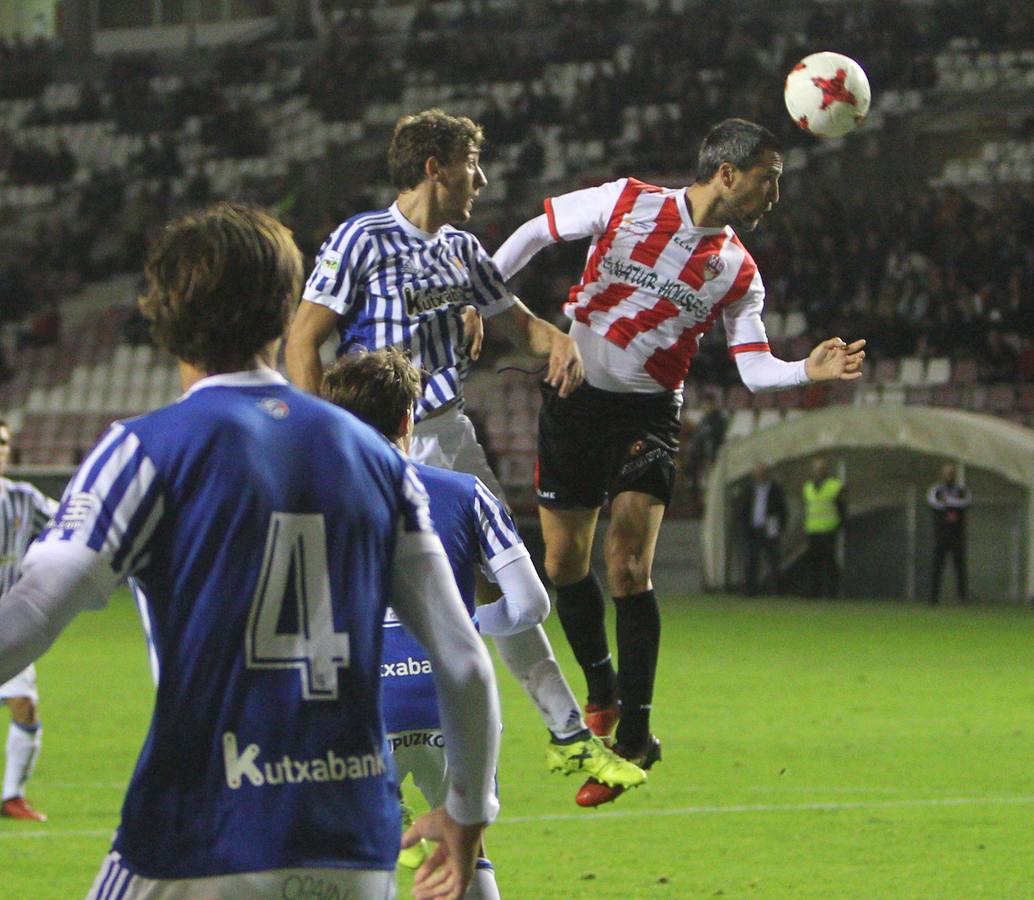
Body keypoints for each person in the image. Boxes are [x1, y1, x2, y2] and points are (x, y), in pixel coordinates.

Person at [0, 204, 499, 899]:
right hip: (353, 847)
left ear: (164, 315)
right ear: (284, 311)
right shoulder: (377, 460)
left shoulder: (148, 448)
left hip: (196, 835)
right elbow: (465, 663)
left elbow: (28, 614)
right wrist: (469, 813)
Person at [492, 118, 867, 805]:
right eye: (767, 178)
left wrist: (804, 369)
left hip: (648, 416)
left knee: (627, 563)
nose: (773, 194)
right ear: (726, 172)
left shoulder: (739, 271)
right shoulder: (625, 200)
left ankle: (635, 734)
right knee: (562, 566)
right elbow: (535, 232)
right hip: (572, 400)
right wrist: (486, 293)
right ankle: (600, 688)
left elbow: (753, 370)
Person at [285, 109, 598, 787]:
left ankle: (566, 732)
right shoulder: (362, 239)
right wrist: (322, 438)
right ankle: (364, 752)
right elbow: (303, 339)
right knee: (381, 594)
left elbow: (517, 324)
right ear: (436, 168)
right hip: (385, 442)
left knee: (500, 580)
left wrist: (561, 341)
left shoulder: (460, 249)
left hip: (451, 433)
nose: (480, 179)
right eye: (471, 165)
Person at [320, 349, 645, 880]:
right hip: (453, 704)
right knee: (465, 857)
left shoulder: (308, 500)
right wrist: (467, 625)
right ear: (408, 418)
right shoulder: (464, 492)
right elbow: (533, 604)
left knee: (356, 864)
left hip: (359, 709)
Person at [0, 420, 58, 822]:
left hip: (7, 623)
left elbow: (65, 529)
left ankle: (11, 796)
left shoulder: (22, 499)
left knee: (25, 706)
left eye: (2, 442)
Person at [738, 462, 786, 595]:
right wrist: (744, 527)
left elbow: (782, 510)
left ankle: (776, 591)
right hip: (753, 529)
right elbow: (743, 510)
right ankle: (751, 590)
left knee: (773, 561)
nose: (760, 475)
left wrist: (780, 527)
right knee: (751, 561)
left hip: (770, 528)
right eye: (758, 472)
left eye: (763, 472)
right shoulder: (748, 489)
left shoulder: (775, 489)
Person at [927, 462, 971, 605]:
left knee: (960, 568)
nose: (949, 475)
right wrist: (952, 503)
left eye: (951, 472)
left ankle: (962, 598)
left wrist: (948, 502)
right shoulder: (936, 490)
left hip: (957, 536)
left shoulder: (961, 490)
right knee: (937, 567)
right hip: (941, 536)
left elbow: (965, 502)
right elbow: (934, 502)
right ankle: (933, 599)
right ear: (942, 474)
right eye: (946, 472)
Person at [801, 457, 845, 598]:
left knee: (829, 563)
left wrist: (840, 525)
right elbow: (806, 508)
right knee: (813, 563)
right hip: (812, 529)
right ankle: (813, 592)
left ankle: (832, 593)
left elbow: (842, 508)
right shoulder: (807, 487)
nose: (819, 471)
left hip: (828, 529)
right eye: (817, 468)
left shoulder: (835, 486)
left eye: (821, 468)